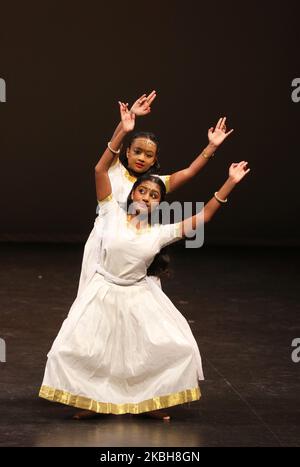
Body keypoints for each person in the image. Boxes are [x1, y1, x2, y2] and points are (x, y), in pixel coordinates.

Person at [38, 106, 250, 421]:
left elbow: (201, 210)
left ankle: (145, 398)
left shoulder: (159, 228)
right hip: (104, 273)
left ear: (159, 200)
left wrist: (225, 173)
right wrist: (123, 127)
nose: (147, 196)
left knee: (149, 344)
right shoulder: (111, 203)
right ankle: (91, 396)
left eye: (153, 195)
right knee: (87, 340)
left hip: (137, 284)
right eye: (142, 192)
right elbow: (99, 169)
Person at [76, 91, 234, 298]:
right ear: (127, 152)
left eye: (148, 155)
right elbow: (112, 146)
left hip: (137, 244)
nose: (142, 157)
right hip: (105, 242)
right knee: (92, 300)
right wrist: (128, 121)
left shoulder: (155, 184)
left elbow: (190, 172)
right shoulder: (113, 168)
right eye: (137, 151)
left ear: (154, 160)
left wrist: (211, 146)